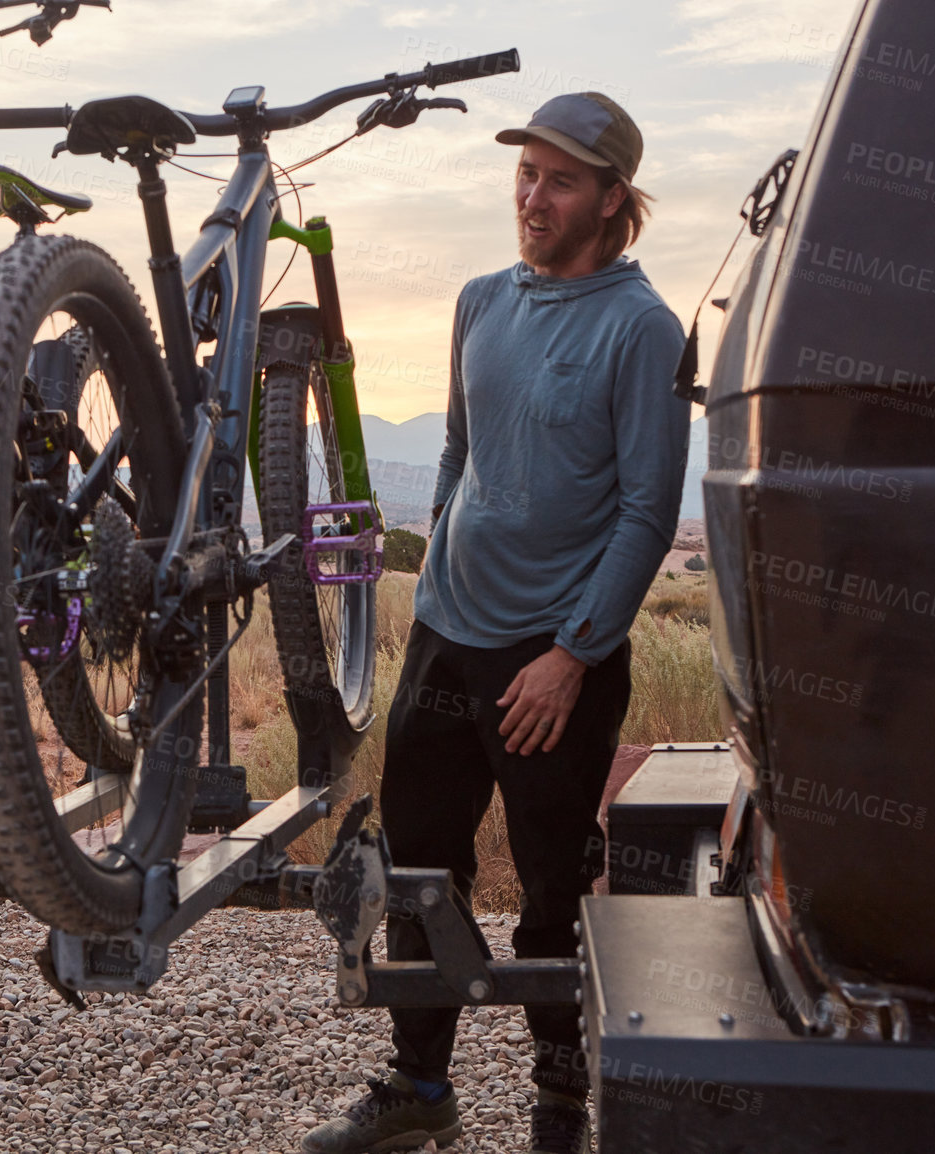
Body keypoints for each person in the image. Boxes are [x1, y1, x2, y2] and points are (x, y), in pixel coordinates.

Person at [302, 93, 690, 1154]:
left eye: (560, 179)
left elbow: (650, 508)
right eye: (525, 173)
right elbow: (457, 452)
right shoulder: (478, 301)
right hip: (444, 636)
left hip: (550, 657)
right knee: (421, 870)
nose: (533, 195)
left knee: (551, 886)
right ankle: (420, 1082)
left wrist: (573, 654)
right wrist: (437, 557)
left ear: (613, 198)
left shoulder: (643, 326)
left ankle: (561, 1099)